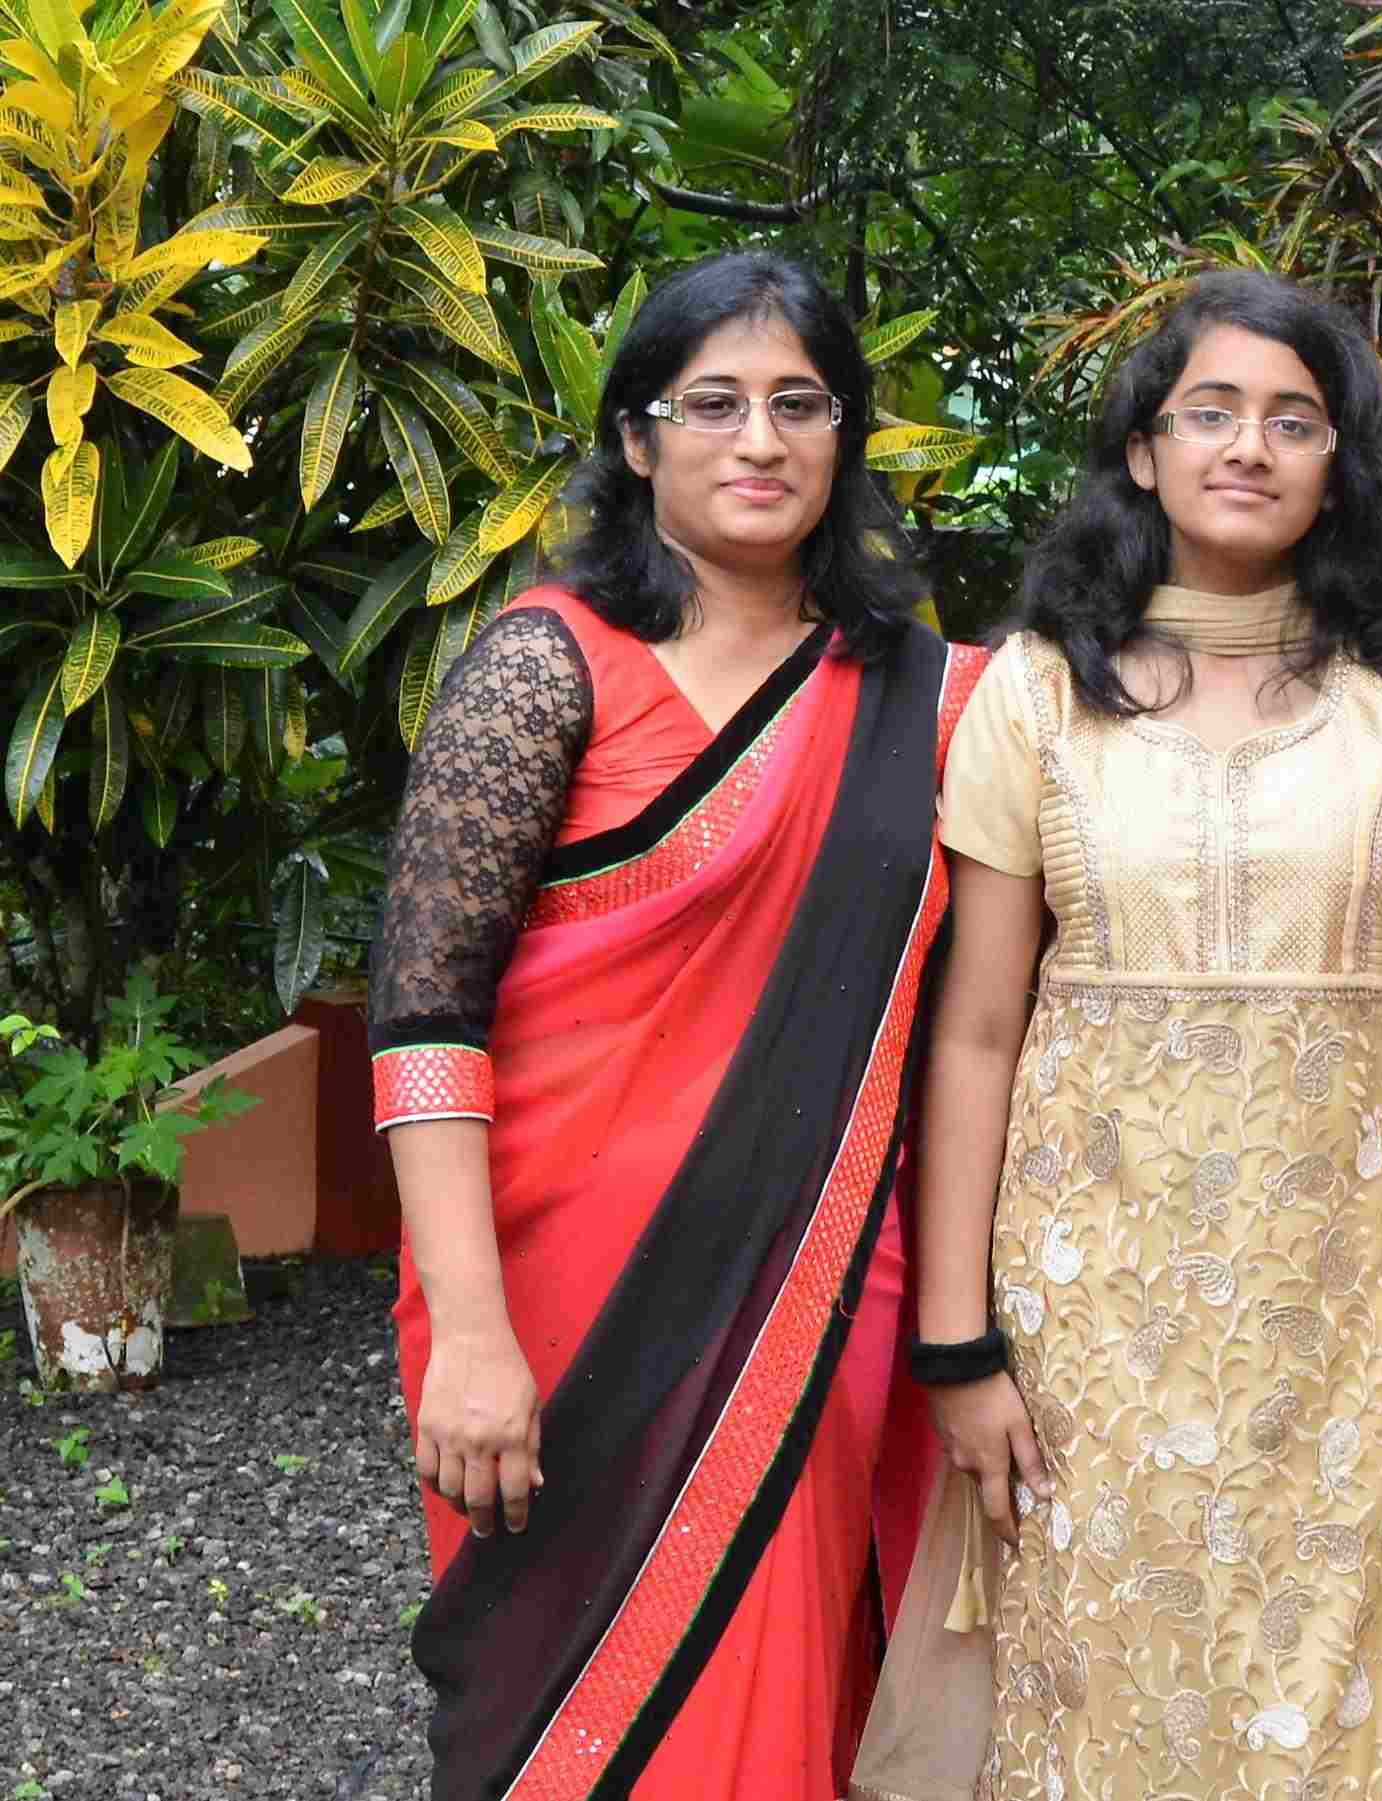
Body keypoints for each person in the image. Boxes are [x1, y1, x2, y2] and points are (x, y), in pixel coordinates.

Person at [911, 269, 1382, 1799]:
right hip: (1090, 1317)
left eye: (1294, 420)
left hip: (1345, 1315)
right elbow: (976, 1031)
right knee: (1105, 1695)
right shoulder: (1036, 694)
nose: (1249, 446)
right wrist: (957, 1341)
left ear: (1339, 464)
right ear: (1144, 451)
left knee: (1347, 1712)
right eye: (1211, 413)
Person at [368, 251, 983, 1801]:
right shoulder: (545, 665)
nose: (759, 440)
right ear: (638, 440)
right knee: (553, 1721)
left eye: (800, 403)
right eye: (713, 404)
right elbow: (424, 1015)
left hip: (813, 1283)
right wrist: (473, 1332)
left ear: (845, 437)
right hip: (546, 1296)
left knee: (780, 1696)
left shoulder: (933, 702)